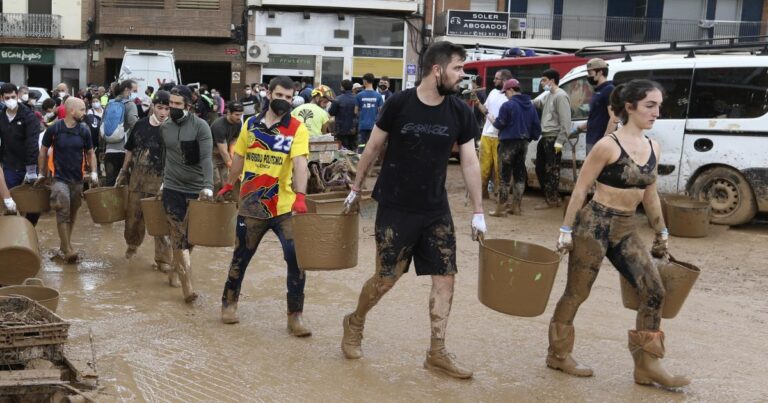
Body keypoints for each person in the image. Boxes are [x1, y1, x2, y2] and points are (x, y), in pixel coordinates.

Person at [340, 41, 486, 379]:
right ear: (437, 70)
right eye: (458, 69)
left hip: (435, 208)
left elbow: (469, 160)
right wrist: (355, 188)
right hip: (395, 206)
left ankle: (437, 351)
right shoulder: (398, 103)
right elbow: (373, 146)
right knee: (386, 278)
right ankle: (355, 320)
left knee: (446, 277)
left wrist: (479, 210)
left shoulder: (460, 111)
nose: (461, 76)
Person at [550, 79, 689, 389]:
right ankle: (558, 354)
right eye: (650, 106)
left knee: (654, 291)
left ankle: (647, 365)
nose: (656, 112)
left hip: (626, 227)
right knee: (577, 292)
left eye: (658, 106)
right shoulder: (607, 145)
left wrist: (661, 231)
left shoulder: (653, 146)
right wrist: (565, 230)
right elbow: (582, 188)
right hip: (594, 224)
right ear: (630, 107)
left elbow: (649, 194)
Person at [217, 75, 312, 336]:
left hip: (283, 207)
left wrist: (301, 196)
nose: (284, 101)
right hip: (251, 205)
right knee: (241, 256)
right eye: (280, 95)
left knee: (297, 259)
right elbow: (239, 157)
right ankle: (229, 304)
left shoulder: (297, 128)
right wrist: (229, 183)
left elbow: (300, 163)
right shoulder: (251, 124)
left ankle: (295, 317)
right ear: (269, 94)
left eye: (289, 98)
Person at [160, 85, 214, 303]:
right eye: (170, 103)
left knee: (190, 238)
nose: (172, 108)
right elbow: (166, 156)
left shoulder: (201, 127)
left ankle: (175, 269)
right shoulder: (165, 127)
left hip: (196, 189)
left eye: (177, 104)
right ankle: (188, 287)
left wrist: (208, 186)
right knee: (178, 233)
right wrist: (163, 182)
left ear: (188, 106)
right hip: (172, 187)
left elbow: (206, 159)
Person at [115, 90, 173, 274]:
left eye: (167, 108)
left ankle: (163, 260)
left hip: (161, 182)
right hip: (138, 180)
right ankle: (132, 248)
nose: (163, 112)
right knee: (133, 219)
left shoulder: (173, 129)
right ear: (153, 107)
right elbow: (130, 150)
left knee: (160, 223)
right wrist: (123, 172)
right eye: (160, 107)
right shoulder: (140, 125)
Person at [35, 98, 98, 263]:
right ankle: (68, 249)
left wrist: (94, 173)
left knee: (73, 212)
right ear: (72, 110)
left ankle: (64, 245)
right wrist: (41, 174)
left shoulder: (84, 130)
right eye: (83, 109)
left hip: (77, 180)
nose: (85, 113)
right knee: (62, 210)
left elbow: (91, 153)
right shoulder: (55, 129)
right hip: (59, 179)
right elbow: (43, 151)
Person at [489, 78, 541, 217]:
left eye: (505, 92)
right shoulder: (530, 106)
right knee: (519, 176)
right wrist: (528, 138)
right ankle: (516, 207)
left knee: (504, 177)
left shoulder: (508, 105)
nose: (505, 95)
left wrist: (494, 121)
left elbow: (500, 124)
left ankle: (501, 208)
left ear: (511, 90)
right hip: (523, 143)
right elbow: (537, 128)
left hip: (507, 143)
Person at [0, 83, 43, 225]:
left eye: (13, 96)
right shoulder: (1, 117)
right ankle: (14, 238)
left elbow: (32, 144)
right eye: (7, 97)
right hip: (10, 166)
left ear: (17, 95)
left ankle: (29, 231)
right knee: (10, 203)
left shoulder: (28, 117)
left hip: (28, 165)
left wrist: (31, 170)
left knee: (33, 207)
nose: (11, 100)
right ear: (2, 98)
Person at [533, 69, 571, 210]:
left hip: (553, 138)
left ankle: (552, 199)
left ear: (552, 80)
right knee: (540, 169)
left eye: (544, 80)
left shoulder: (561, 96)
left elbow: (566, 122)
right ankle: (550, 197)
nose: (542, 83)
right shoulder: (549, 95)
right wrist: (521, 100)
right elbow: (536, 103)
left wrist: (560, 141)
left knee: (552, 170)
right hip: (545, 137)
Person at [473, 69, 511, 199]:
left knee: (498, 169)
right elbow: (485, 109)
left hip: (500, 137)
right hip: (486, 135)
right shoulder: (493, 93)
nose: (493, 80)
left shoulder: (509, 97)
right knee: (483, 168)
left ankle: (499, 194)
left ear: (504, 80)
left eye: (496, 78)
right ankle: (482, 192)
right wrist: (477, 102)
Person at [575, 58, 617, 155]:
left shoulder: (609, 89)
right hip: (592, 139)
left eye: (590, 73)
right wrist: (578, 129)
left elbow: (614, 117)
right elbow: (595, 116)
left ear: (600, 72)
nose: (588, 76)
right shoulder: (598, 91)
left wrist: (606, 139)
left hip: (599, 141)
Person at [102, 80, 139, 187]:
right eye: (135, 90)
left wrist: (102, 149)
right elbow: (134, 125)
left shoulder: (109, 104)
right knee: (125, 183)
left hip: (109, 150)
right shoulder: (130, 105)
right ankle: (123, 204)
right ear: (127, 90)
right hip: (125, 152)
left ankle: (110, 203)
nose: (136, 93)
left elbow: (102, 125)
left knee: (110, 183)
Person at [210, 101, 244, 193]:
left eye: (240, 114)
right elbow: (223, 151)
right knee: (215, 182)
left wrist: (233, 156)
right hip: (211, 154)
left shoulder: (238, 123)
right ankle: (210, 204)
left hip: (224, 152)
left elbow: (233, 141)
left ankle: (224, 203)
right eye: (236, 115)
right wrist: (233, 167)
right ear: (229, 113)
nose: (239, 117)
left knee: (226, 182)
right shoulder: (219, 126)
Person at [355, 73, 383, 154]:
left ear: (365, 81)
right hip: (374, 126)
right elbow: (381, 111)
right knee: (372, 145)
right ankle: (372, 162)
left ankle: (360, 160)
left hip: (362, 125)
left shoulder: (359, 95)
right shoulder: (378, 96)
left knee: (361, 145)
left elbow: (355, 111)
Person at [329, 80, 357, 151]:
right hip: (354, 128)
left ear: (343, 87)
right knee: (353, 149)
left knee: (342, 150)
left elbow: (331, 112)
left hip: (341, 129)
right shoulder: (357, 98)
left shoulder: (338, 99)